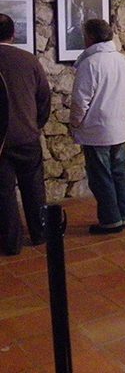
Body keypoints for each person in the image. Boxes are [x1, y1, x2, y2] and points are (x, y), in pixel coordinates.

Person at [70, 19, 125, 235]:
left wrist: (76, 123)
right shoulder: (123, 61)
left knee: (100, 177)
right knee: (118, 173)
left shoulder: (90, 63)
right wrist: (117, 112)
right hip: (118, 127)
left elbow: (81, 101)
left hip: (97, 130)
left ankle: (110, 220)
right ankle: (123, 214)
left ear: (89, 37)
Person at [0, 14, 51, 255]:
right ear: (13, 34)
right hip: (28, 136)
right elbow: (44, 98)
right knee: (34, 188)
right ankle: (40, 233)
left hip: (1, 142)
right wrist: (35, 124)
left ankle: (11, 242)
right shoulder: (29, 60)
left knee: (4, 193)